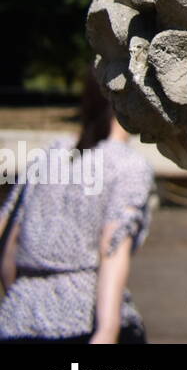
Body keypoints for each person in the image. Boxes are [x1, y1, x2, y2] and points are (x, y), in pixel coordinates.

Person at [0, 76, 154, 343]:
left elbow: (9, 243)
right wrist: (107, 330)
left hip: (17, 317)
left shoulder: (51, 153)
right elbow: (112, 247)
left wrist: (23, 297)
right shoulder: (127, 165)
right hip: (83, 318)